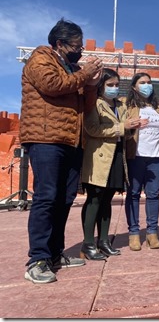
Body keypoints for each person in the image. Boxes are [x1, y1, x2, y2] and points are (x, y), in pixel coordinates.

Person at [20, 18, 103, 284]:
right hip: (46, 138)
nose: (80, 50)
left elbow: (87, 105)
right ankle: (38, 259)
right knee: (46, 197)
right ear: (60, 43)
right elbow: (52, 86)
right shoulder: (40, 59)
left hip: (71, 140)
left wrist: (91, 85)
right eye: (76, 45)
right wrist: (84, 75)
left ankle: (56, 254)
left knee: (64, 199)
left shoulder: (73, 67)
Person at [81, 68, 140, 259]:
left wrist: (132, 127)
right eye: (110, 85)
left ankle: (104, 241)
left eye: (116, 85)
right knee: (95, 199)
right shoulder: (95, 104)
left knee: (107, 200)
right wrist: (123, 127)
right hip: (98, 157)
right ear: (101, 86)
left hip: (116, 156)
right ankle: (88, 243)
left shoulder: (120, 106)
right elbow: (92, 128)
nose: (114, 88)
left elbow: (124, 130)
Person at [125, 73, 159, 250]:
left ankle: (152, 233)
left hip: (155, 158)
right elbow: (123, 130)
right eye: (142, 83)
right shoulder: (128, 106)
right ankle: (134, 233)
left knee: (153, 195)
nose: (147, 85)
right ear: (134, 86)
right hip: (135, 157)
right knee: (133, 194)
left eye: (149, 82)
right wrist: (131, 125)